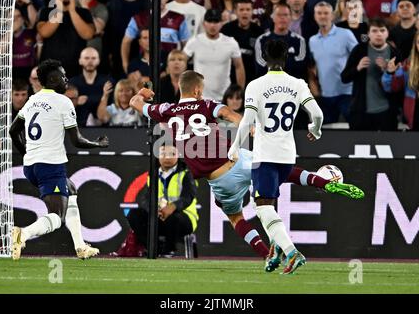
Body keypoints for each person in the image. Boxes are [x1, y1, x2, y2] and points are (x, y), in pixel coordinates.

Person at [130, 70, 364, 270]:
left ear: (181, 88)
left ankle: (265, 253)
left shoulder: (166, 110)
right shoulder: (207, 105)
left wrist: (143, 92)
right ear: (199, 91)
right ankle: (324, 182)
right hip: (240, 160)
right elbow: (229, 114)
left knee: (236, 218)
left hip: (220, 180)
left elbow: (135, 104)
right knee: (283, 171)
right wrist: (249, 127)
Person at [228, 39, 364, 274]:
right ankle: (275, 249)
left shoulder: (256, 85)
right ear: (286, 58)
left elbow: (248, 120)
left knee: (262, 208)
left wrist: (234, 147)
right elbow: (318, 114)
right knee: (268, 202)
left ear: (263, 58)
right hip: (287, 155)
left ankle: (291, 251)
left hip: (265, 155)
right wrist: (316, 129)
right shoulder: (298, 83)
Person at [9, 59, 109, 260]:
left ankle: (80, 246)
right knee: (57, 216)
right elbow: (77, 140)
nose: (66, 79)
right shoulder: (63, 102)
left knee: (70, 189)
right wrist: (98, 144)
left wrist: (27, 152)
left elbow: (13, 131)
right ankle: (23, 233)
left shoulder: (33, 100)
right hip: (50, 166)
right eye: (63, 76)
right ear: (53, 79)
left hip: (31, 166)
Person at [123, 145, 199, 257]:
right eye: (163, 154)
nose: (167, 158)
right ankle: (152, 247)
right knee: (134, 214)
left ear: (178, 155)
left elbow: (188, 196)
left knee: (173, 218)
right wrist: (154, 210)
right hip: (158, 216)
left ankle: (168, 250)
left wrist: (172, 207)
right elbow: (146, 199)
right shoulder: (153, 174)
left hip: (183, 218)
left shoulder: (186, 173)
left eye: (172, 154)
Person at [341, 18, 401, 131]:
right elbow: (344, 78)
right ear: (368, 33)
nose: (378, 34)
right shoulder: (359, 50)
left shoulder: (394, 53)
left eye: (382, 30)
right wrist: (357, 68)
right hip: (361, 111)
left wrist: (389, 71)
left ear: (387, 33)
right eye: (374, 31)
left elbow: (399, 86)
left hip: (387, 112)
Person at [308, 1, 358, 124]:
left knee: (355, 128)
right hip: (325, 95)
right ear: (315, 16)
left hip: (347, 92)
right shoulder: (312, 40)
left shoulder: (346, 34)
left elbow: (358, 56)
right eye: (319, 13)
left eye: (326, 13)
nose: (323, 16)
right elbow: (313, 68)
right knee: (326, 133)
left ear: (332, 16)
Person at [184, 8, 246, 101]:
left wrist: (240, 92)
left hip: (224, 97)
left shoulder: (231, 42)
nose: (212, 25)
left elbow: (239, 67)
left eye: (216, 21)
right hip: (199, 98)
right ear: (204, 23)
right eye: (209, 21)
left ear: (221, 23)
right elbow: (181, 61)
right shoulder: (194, 41)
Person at [37, 0, 96, 78]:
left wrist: (72, 11)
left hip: (77, 69)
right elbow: (44, 33)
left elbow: (88, 35)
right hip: (50, 69)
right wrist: (59, 10)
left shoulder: (84, 12)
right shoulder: (45, 11)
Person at [382, 32, 419, 130]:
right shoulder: (407, 65)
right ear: (415, 45)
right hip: (415, 117)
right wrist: (390, 73)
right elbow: (391, 88)